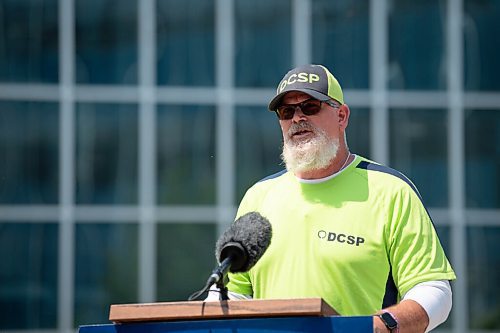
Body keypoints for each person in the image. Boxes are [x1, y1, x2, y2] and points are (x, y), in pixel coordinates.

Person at [212, 64, 456, 333]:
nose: (297, 118)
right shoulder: (258, 196)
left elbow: (434, 291)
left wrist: (381, 326)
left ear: (341, 116)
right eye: (287, 111)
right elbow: (235, 295)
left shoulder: (390, 190)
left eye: (310, 106)